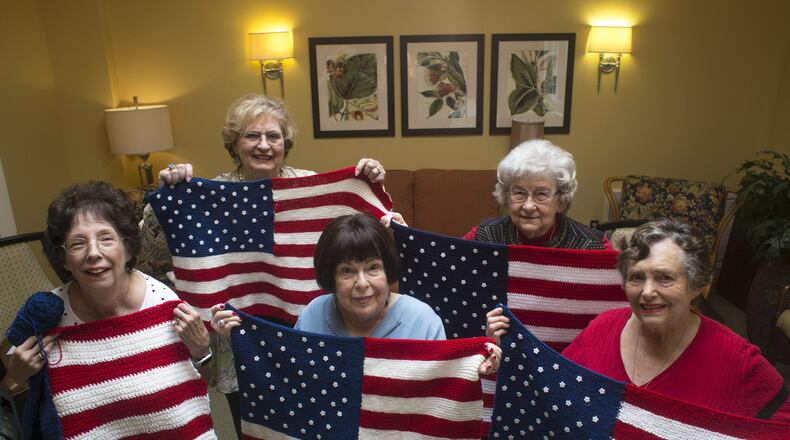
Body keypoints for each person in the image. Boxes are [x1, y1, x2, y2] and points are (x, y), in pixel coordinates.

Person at [137, 93, 389, 437]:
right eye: (252, 136)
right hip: (240, 341)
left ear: (286, 142)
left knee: (318, 426)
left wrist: (370, 180)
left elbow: (367, 236)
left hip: (308, 333)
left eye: (273, 136)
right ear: (234, 144)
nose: (264, 145)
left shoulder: (310, 185)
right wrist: (169, 193)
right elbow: (151, 248)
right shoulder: (211, 194)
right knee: (257, 429)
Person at [487, 219, 790, 421]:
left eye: (664, 278)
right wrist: (508, 356)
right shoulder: (603, 329)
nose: (647, 292)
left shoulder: (736, 358)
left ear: (697, 286)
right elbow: (554, 390)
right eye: (636, 277)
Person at [4, 182, 211, 416]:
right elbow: (22, 381)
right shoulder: (47, 313)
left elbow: (200, 387)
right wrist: (20, 373)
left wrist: (202, 352)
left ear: (129, 249)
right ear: (63, 259)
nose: (93, 253)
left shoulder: (162, 302)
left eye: (106, 239)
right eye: (78, 243)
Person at [213, 213, 500, 375]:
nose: (362, 283)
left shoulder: (423, 321)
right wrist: (239, 336)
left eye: (373, 268)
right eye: (347, 271)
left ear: (389, 271)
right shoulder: (314, 313)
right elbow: (292, 375)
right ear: (331, 277)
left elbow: (443, 392)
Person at [463, 139, 609, 249]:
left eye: (541, 194)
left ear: (561, 201)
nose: (528, 206)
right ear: (507, 196)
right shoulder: (484, 236)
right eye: (519, 193)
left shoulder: (591, 245)